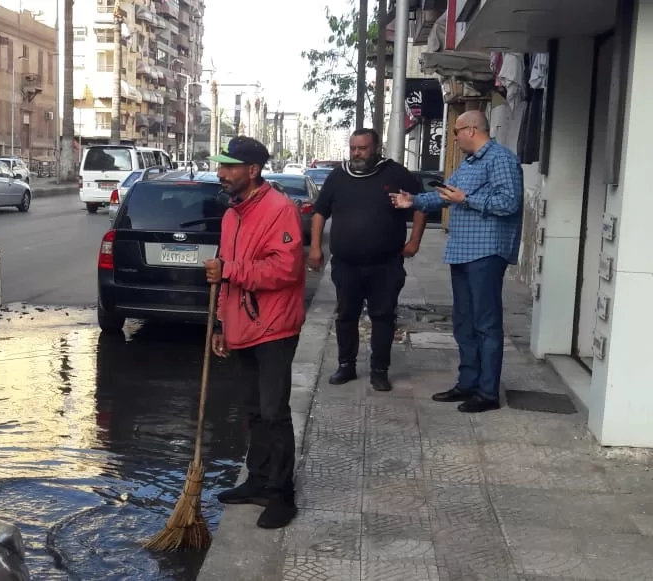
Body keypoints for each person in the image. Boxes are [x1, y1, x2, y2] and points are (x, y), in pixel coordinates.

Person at [203, 136, 306, 529]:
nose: (221, 173)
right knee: (251, 412)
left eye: (229, 167)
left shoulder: (279, 210)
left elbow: (286, 271)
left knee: (273, 412)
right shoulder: (233, 214)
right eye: (221, 166)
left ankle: (282, 493)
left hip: (275, 326)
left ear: (253, 170)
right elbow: (225, 276)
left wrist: (229, 271)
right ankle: (258, 480)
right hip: (242, 325)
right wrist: (220, 324)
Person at [392, 111, 523, 413]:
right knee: (464, 322)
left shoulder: (500, 159)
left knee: (486, 324)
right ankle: (468, 383)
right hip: (462, 251)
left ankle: (488, 393)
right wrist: (412, 201)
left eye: (456, 131)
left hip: (487, 252)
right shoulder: (470, 162)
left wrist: (467, 199)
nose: (453, 137)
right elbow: (445, 196)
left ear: (472, 129)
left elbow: (509, 203)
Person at [308, 129, 427, 392]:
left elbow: (420, 205)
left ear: (375, 148)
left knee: (383, 316)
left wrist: (414, 241)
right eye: (353, 148)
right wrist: (315, 247)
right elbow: (319, 213)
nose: (356, 153)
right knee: (346, 316)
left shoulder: (395, 173)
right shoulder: (339, 176)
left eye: (362, 148)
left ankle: (379, 371)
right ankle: (346, 366)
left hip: (385, 264)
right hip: (346, 264)